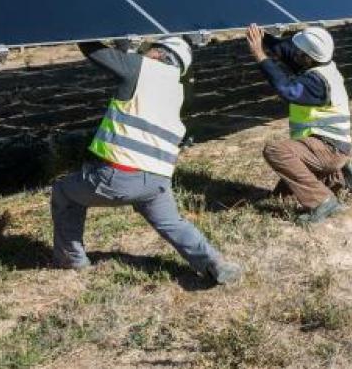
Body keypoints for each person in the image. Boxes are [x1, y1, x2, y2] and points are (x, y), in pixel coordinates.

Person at [50, 36, 242, 285]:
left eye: (147, 49)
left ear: (159, 54)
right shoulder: (177, 89)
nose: (143, 53)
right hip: (157, 179)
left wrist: (80, 29)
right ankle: (214, 262)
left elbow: (92, 49)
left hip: (119, 176)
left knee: (64, 192)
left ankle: (71, 259)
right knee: (172, 223)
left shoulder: (141, 68)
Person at [245, 23, 352, 225]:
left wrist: (260, 55)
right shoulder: (322, 65)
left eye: (298, 51)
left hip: (329, 148)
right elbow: (286, 51)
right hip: (331, 145)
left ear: (308, 58)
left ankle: (322, 201)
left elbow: (287, 89)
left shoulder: (317, 83)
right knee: (282, 197)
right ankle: (338, 177)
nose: (294, 53)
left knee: (276, 151)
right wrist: (262, 37)